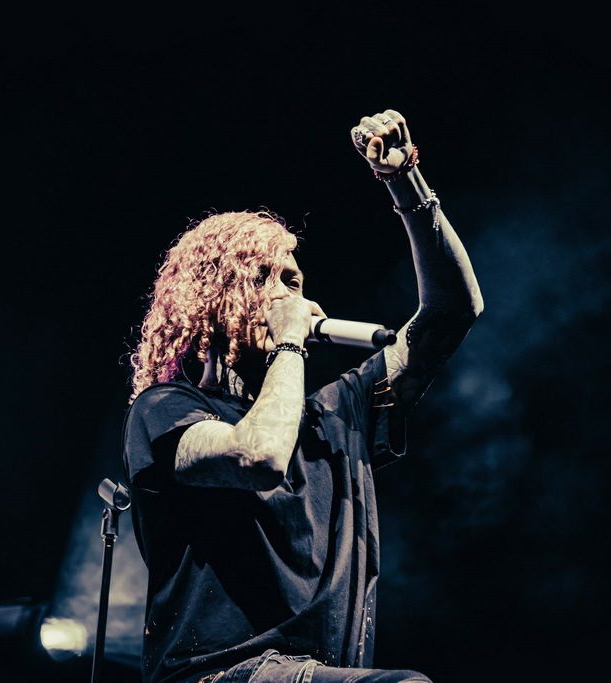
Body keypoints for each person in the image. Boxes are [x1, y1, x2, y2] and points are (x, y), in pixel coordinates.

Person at [122, 110, 482, 683]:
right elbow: (258, 456)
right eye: (269, 278)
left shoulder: (335, 415)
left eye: (295, 282)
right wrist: (290, 341)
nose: (290, 295)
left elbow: (451, 312)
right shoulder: (165, 408)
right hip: (218, 675)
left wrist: (405, 183)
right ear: (219, 293)